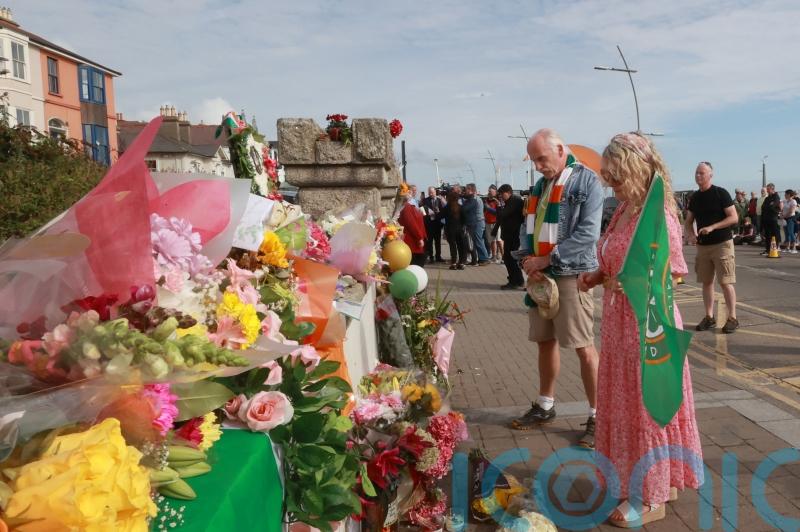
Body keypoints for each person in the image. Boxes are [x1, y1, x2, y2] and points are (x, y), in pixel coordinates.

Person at [579, 132, 702, 527]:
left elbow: (671, 276)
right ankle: (663, 480)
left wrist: (624, 283)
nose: (611, 185)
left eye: (616, 176)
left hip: (648, 325)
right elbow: (617, 258)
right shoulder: (623, 211)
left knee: (648, 408)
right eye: (608, 177)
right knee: (630, 405)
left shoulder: (659, 215)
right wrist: (598, 275)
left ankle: (651, 496)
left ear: (638, 169)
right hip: (620, 325)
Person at [510, 129, 602, 450]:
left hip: (570, 273)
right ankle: (545, 405)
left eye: (541, 158)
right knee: (544, 341)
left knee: (583, 345)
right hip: (540, 274)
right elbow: (528, 228)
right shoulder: (540, 186)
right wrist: (526, 259)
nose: (537, 166)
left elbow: (588, 234)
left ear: (560, 149)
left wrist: (545, 258)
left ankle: (598, 415)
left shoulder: (587, 182)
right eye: (534, 160)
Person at [684, 162, 739, 333]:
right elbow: (688, 221)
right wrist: (690, 235)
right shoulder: (695, 198)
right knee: (706, 283)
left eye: (702, 173)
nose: (698, 176)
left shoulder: (720, 193)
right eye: (696, 173)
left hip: (722, 244)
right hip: (703, 246)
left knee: (725, 282)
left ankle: (732, 318)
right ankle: (709, 317)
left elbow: (733, 217)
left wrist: (713, 227)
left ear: (710, 175)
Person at [495, 184, 524, 289]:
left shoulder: (515, 201)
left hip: (514, 235)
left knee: (510, 258)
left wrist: (498, 206)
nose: (501, 196)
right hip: (509, 235)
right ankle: (516, 280)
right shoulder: (510, 201)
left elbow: (503, 215)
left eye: (502, 194)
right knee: (508, 258)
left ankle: (516, 281)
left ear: (508, 192)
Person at [462, 183, 491, 265]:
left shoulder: (475, 199)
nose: (465, 191)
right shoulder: (475, 198)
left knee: (478, 240)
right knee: (477, 240)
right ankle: (482, 258)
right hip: (478, 221)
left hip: (478, 222)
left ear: (471, 190)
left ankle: (484, 258)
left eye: (467, 189)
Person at [440, 190, 469, 269]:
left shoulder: (447, 207)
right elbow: (465, 219)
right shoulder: (460, 207)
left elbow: (440, 216)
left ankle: (453, 263)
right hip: (460, 229)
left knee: (452, 246)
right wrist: (462, 225)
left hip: (450, 230)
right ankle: (461, 263)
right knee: (461, 246)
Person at [397, 189, 427, 267]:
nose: (411, 194)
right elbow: (411, 224)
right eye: (409, 192)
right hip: (412, 241)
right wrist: (419, 238)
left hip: (412, 240)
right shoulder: (406, 207)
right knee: (416, 264)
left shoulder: (407, 206)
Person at [421, 186, 445, 263]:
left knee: (438, 241)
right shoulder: (425, 200)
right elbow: (423, 211)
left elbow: (443, 211)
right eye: (430, 192)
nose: (431, 194)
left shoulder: (439, 200)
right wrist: (428, 214)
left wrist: (439, 213)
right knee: (430, 242)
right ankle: (431, 257)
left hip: (437, 224)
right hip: (429, 224)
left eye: (432, 192)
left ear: (435, 192)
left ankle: (438, 256)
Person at [760, 183, 782, 255]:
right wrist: (768, 206)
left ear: (772, 189)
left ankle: (776, 247)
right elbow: (763, 207)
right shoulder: (767, 198)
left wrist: (769, 206)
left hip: (773, 219)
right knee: (767, 235)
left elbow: (772, 207)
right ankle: (767, 249)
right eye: (767, 189)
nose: (767, 190)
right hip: (766, 219)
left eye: (768, 189)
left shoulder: (776, 197)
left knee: (774, 234)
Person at [484, 185, 501, 262]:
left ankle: (501, 255)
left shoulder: (498, 200)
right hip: (488, 222)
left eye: (491, 191)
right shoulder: (486, 200)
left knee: (499, 240)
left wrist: (488, 208)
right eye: (489, 191)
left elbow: (498, 213)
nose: (489, 193)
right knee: (491, 241)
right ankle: (493, 256)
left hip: (496, 223)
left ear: (495, 192)